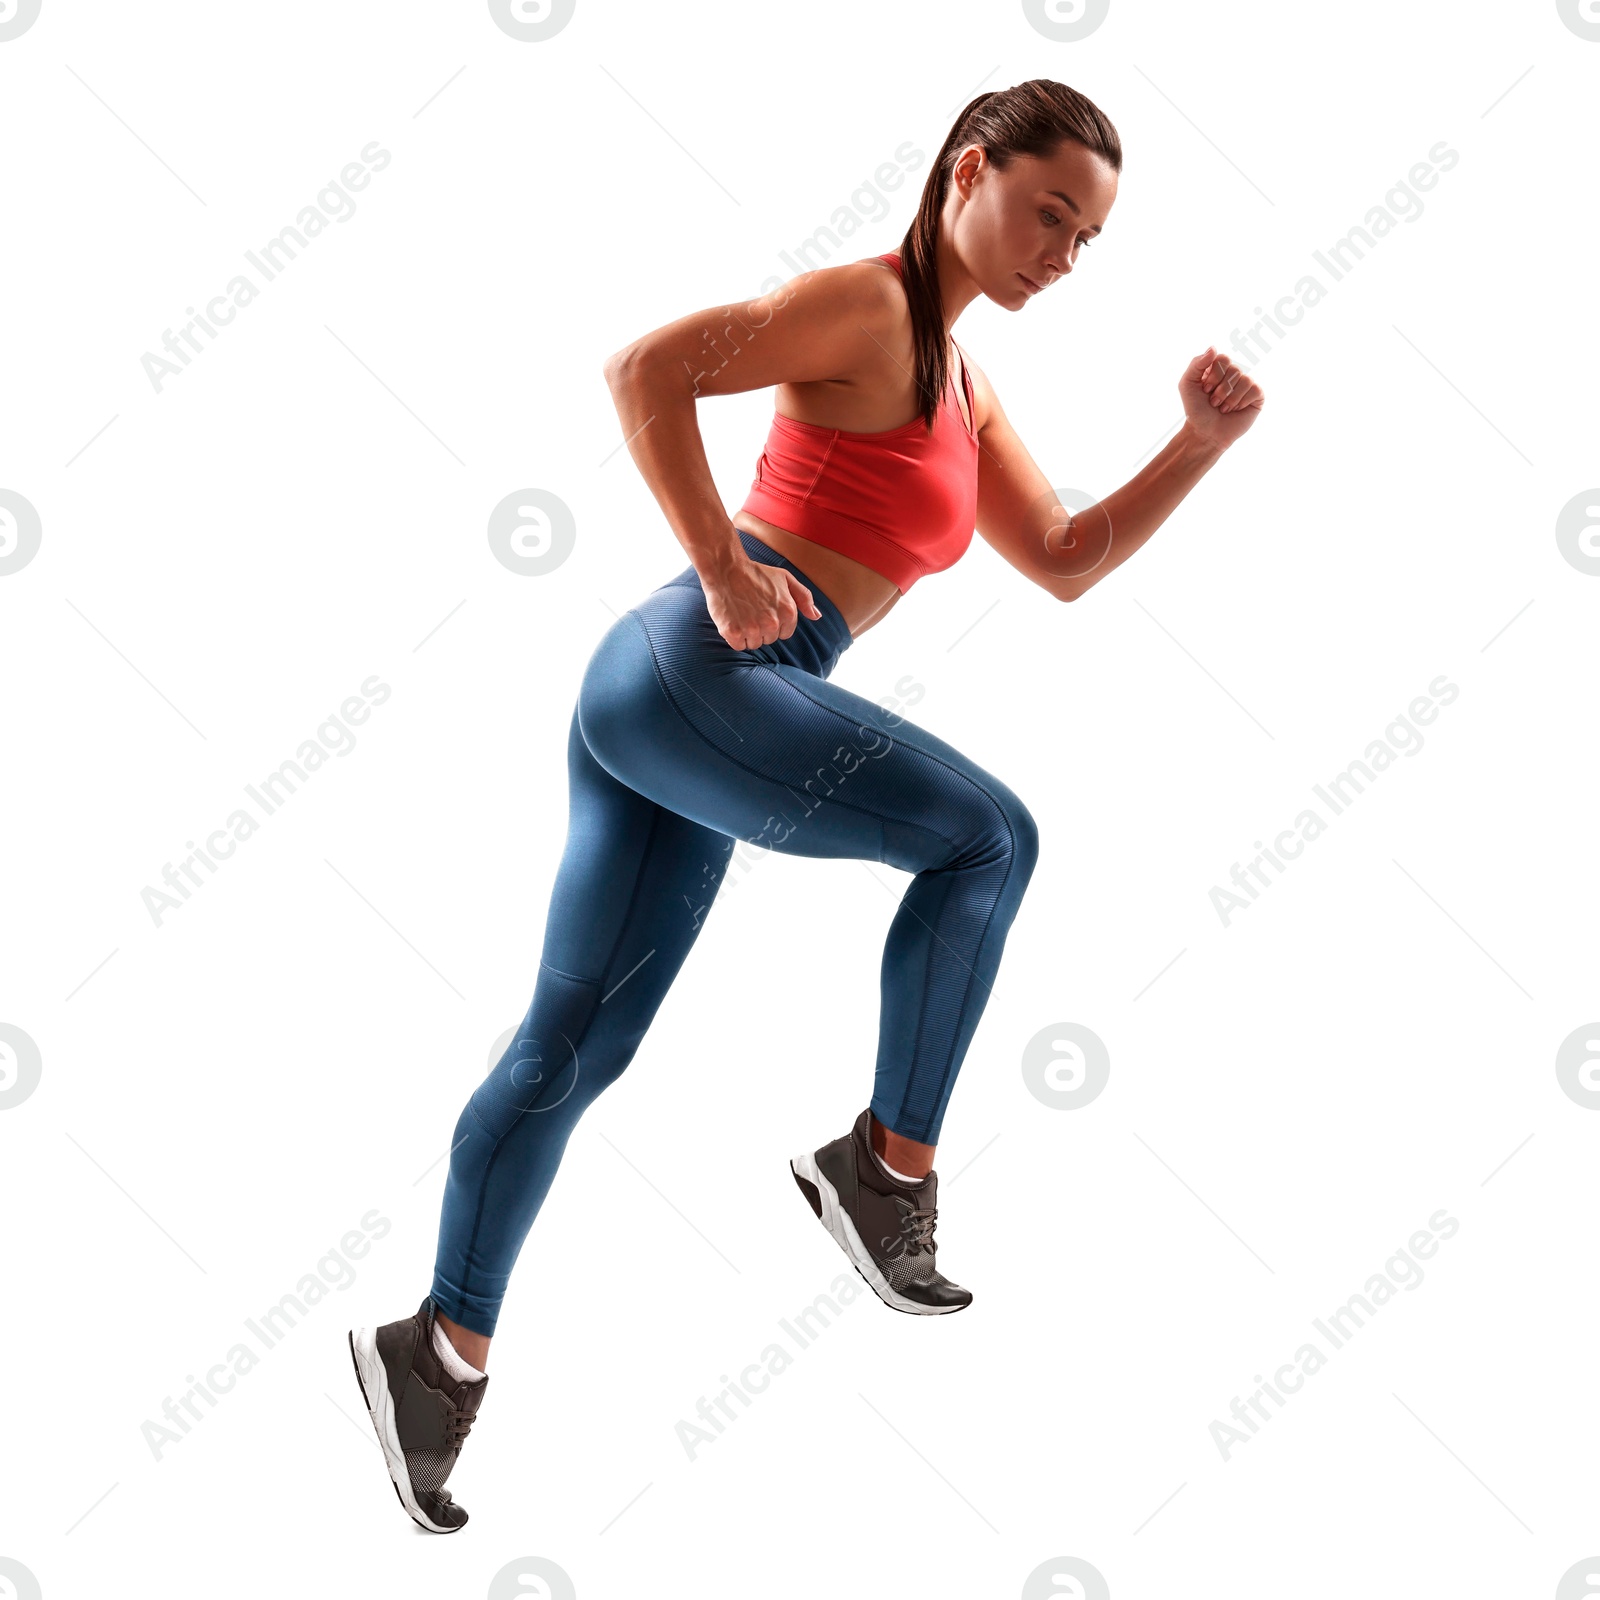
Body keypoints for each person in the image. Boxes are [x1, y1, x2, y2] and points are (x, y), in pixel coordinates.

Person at [348, 76, 1263, 1533]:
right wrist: (718, 561)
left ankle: (436, 1355)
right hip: (698, 665)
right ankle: (884, 1168)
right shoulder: (868, 307)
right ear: (968, 171)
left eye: (1088, 240)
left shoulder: (963, 385)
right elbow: (645, 369)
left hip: (714, 704)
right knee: (988, 837)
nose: (1063, 255)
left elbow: (1072, 557)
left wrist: (1199, 446)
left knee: (577, 1043)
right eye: (1048, 214)